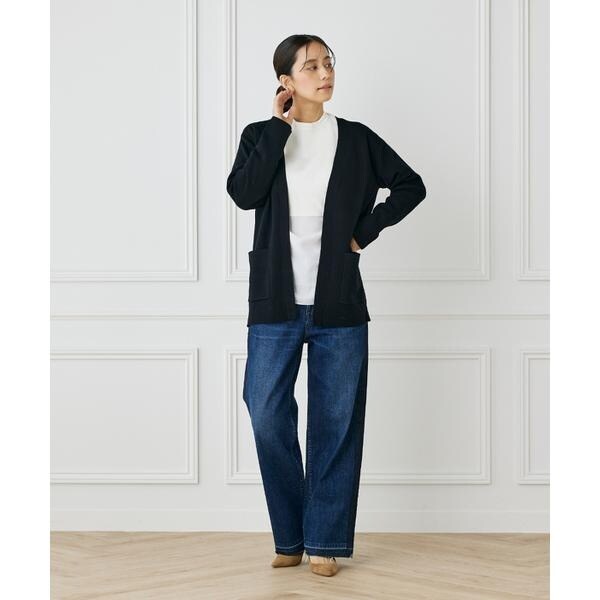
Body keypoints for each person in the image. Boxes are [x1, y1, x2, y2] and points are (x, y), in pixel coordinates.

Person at [227, 35, 426, 577]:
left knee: (336, 425)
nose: (324, 73)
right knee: (266, 413)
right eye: (311, 66)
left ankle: (324, 541)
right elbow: (244, 194)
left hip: (339, 305)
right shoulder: (261, 136)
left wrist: (364, 232)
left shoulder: (356, 139)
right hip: (275, 303)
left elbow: (410, 186)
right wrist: (278, 129)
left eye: (328, 63)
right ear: (286, 81)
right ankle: (290, 536)